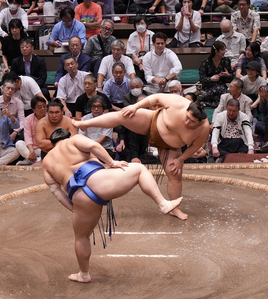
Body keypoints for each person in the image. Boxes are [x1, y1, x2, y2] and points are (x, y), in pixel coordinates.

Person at [43, 130, 182, 282]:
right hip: (97, 179)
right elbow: (93, 145)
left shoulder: (47, 162)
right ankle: (163, 203)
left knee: (81, 237)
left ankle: (83, 274)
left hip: (78, 195)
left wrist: (74, 208)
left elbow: (56, 192)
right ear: (67, 137)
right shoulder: (73, 140)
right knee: (140, 170)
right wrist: (112, 162)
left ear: (51, 144)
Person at [73, 94, 209, 221]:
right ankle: (84, 124)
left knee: (175, 174)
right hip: (153, 123)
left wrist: (180, 159)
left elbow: (194, 147)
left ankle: (174, 208)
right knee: (124, 115)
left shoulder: (203, 129)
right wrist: (136, 106)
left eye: (192, 122)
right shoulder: (178, 102)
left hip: (170, 147)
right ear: (186, 109)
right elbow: (155, 98)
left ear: (199, 122)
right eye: (187, 117)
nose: (186, 122)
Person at [15, 96, 47, 165]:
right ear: (33, 109)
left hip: (45, 149)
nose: (43, 109)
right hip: (32, 149)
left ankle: (29, 161)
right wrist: (31, 150)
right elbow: (27, 136)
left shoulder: (49, 117)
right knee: (19, 144)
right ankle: (36, 161)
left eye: (44, 106)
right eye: (40, 107)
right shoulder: (28, 119)